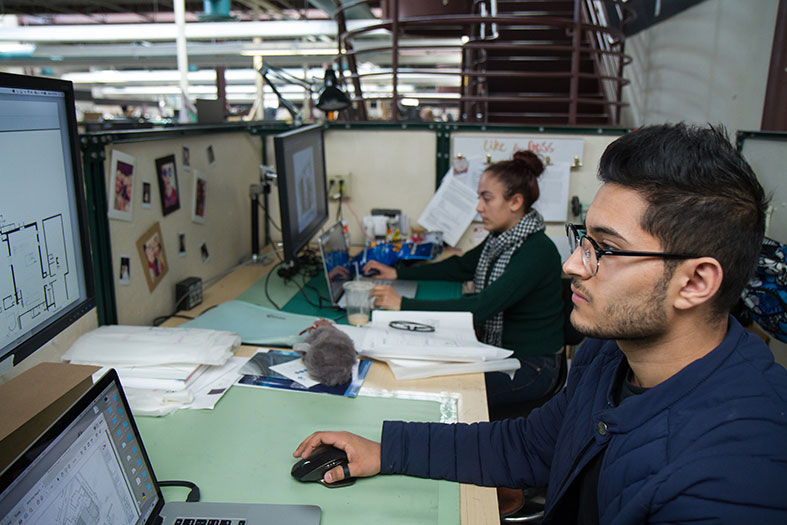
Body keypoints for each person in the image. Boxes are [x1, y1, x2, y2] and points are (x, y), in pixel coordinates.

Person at [295, 124, 787, 522]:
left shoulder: (733, 474)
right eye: (583, 238)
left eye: (606, 248)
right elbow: (529, 445)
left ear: (695, 282)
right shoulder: (608, 352)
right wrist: (385, 450)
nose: (573, 264)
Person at [364, 150, 564, 410]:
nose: (479, 207)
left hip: (532, 366)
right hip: (502, 353)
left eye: (486, 198)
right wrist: (398, 274)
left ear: (515, 202)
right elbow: (460, 267)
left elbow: (481, 306)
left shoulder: (536, 251)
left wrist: (403, 304)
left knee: (441, 391)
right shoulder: (501, 240)